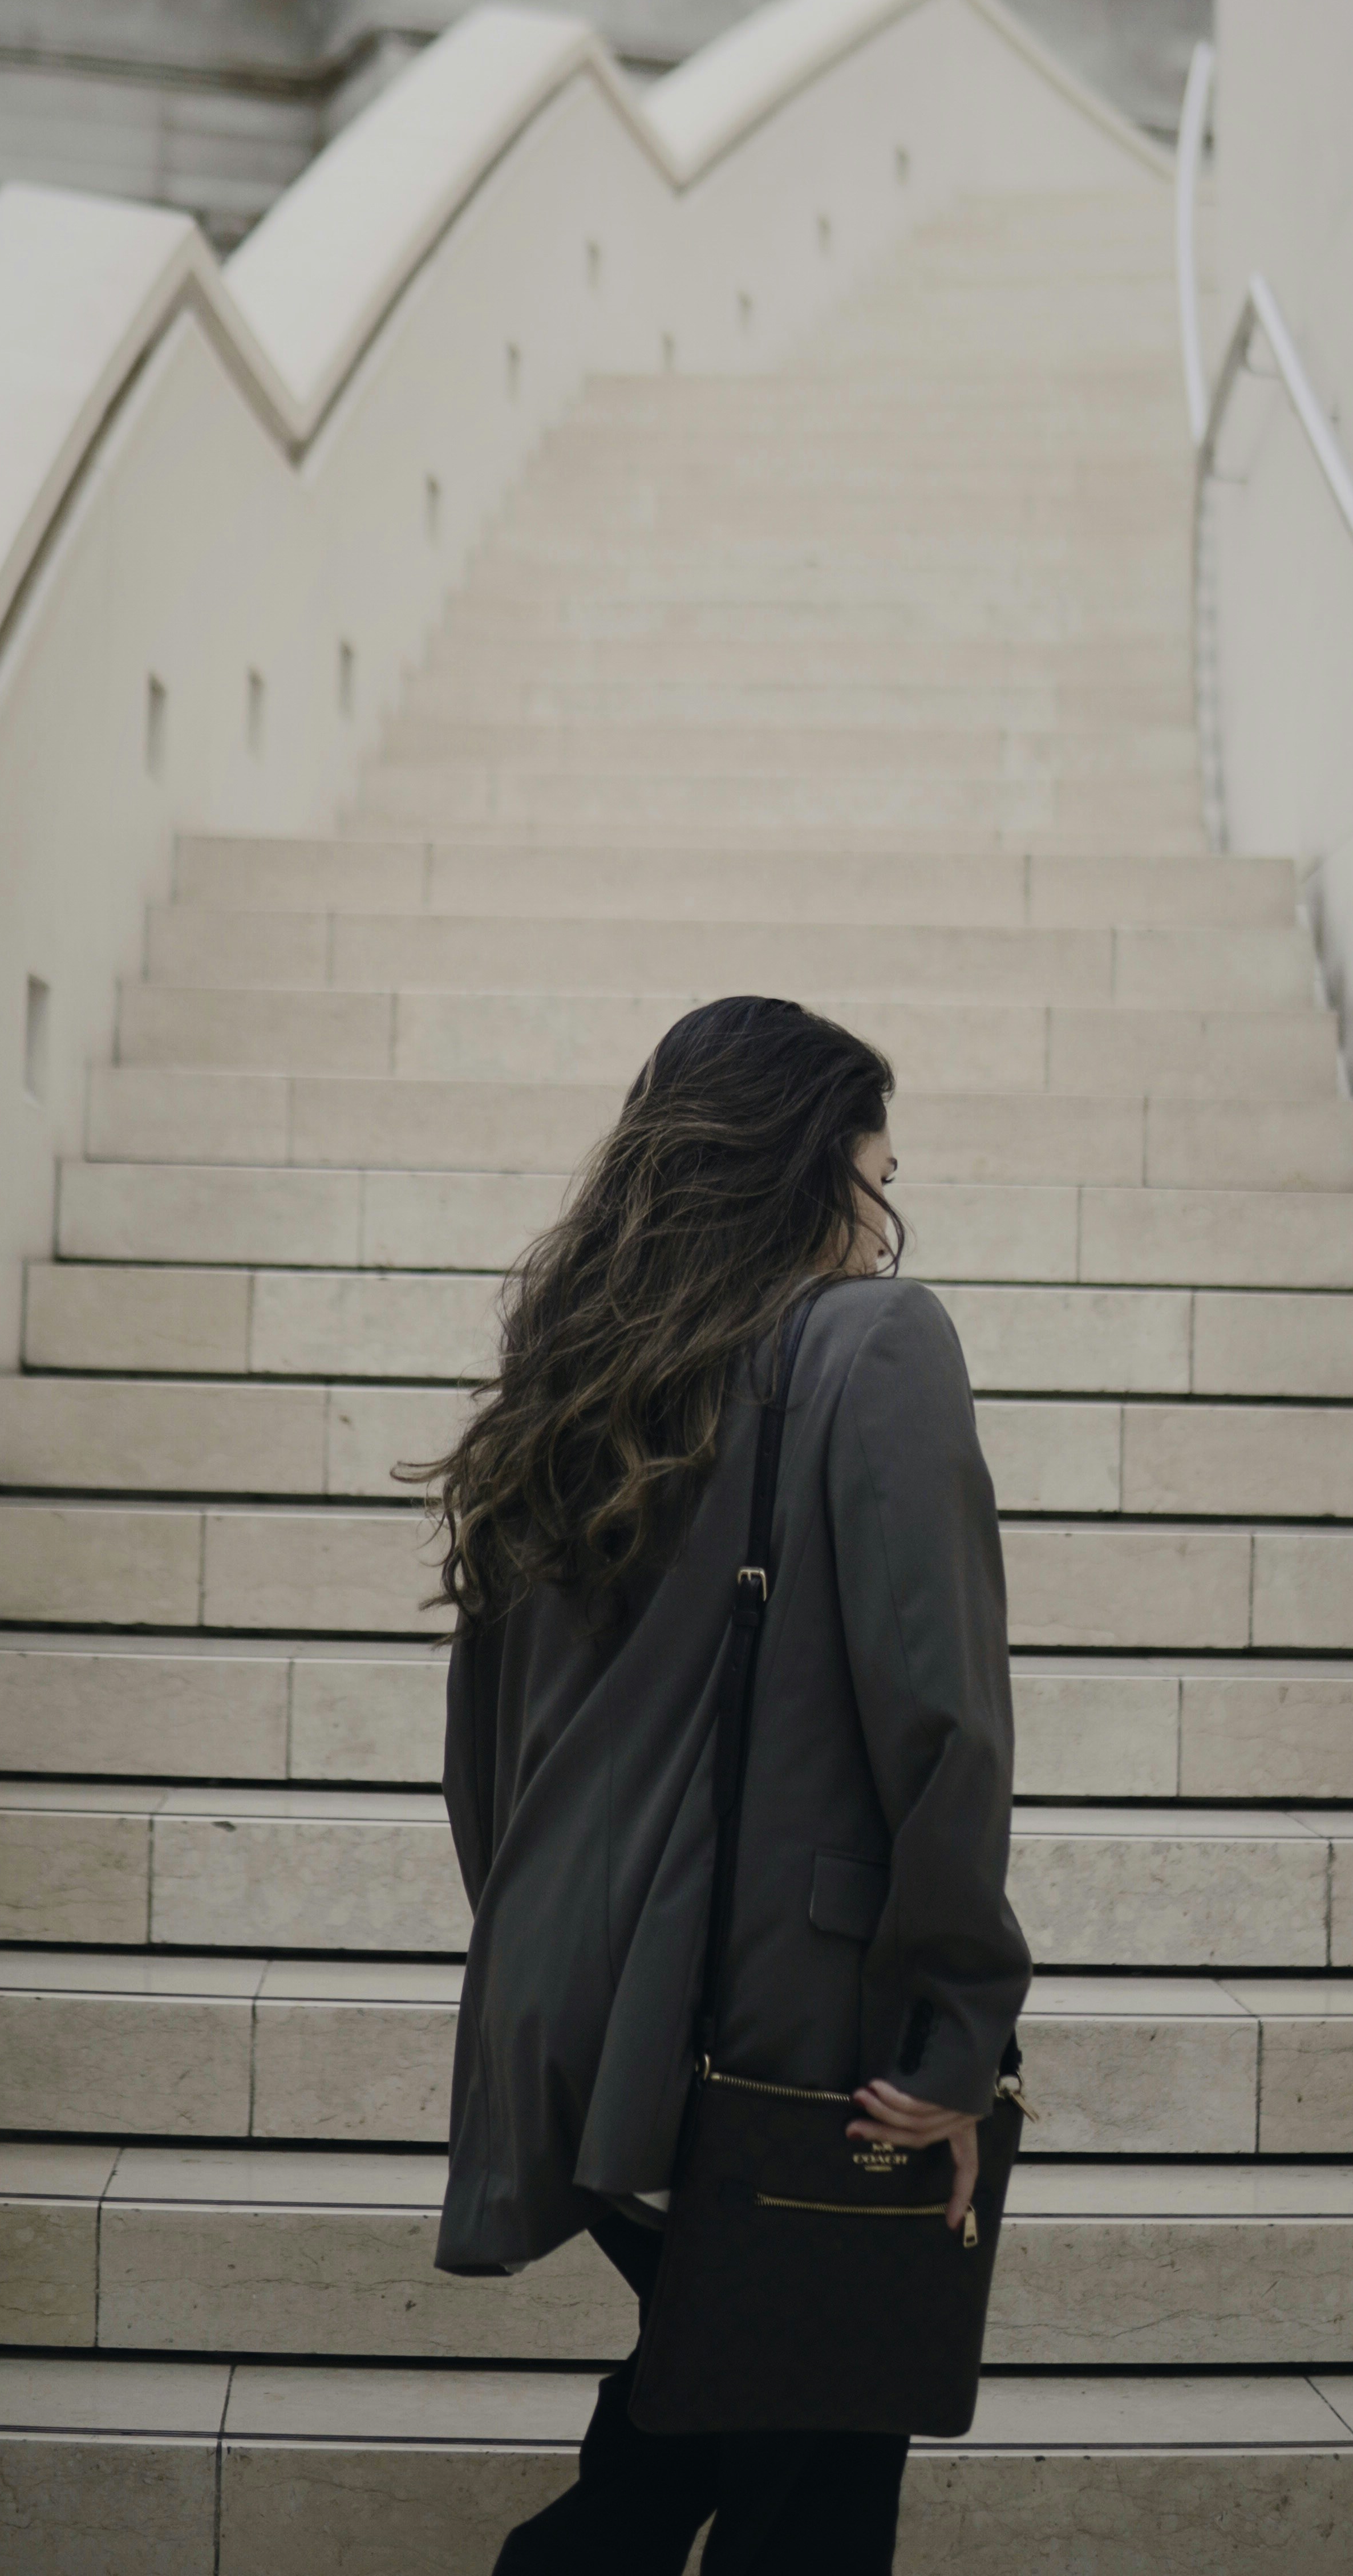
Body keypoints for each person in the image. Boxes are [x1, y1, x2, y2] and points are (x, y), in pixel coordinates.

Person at [423, 993, 1031, 2574]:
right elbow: (944, 1721)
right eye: (878, 1178)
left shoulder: (583, 1377)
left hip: (595, 2025)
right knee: (805, 2469)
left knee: (732, 2414)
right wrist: (960, 2031)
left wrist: (558, 1941)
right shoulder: (877, 1346)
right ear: (816, 1168)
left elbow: (482, 1739)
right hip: (789, 2042)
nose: (884, 1223)